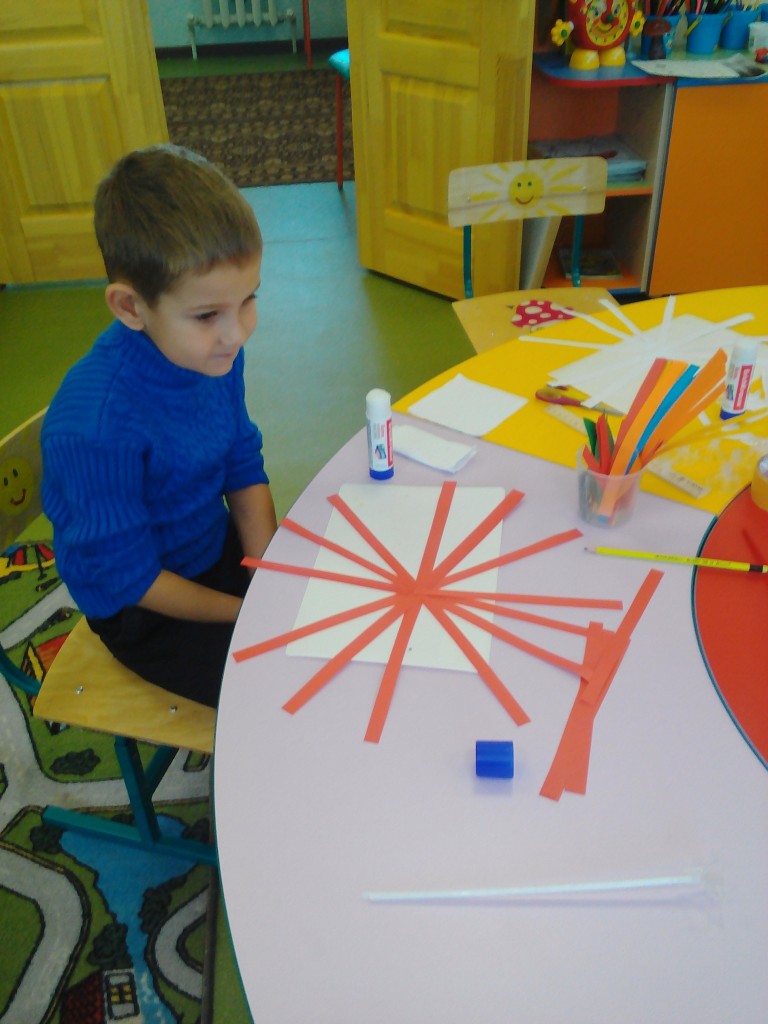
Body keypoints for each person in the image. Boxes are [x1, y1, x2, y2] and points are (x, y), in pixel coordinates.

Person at [42, 144, 277, 707]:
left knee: (323, 637)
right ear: (130, 307)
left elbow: (241, 462)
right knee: (272, 692)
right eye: (208, 315)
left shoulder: (213, 353)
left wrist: (268, 575)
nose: (237, 333)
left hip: (210, 550)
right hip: (144, 612)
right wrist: (250, 613)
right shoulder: (94, 427)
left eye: (248, 300)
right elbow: (133, 578)